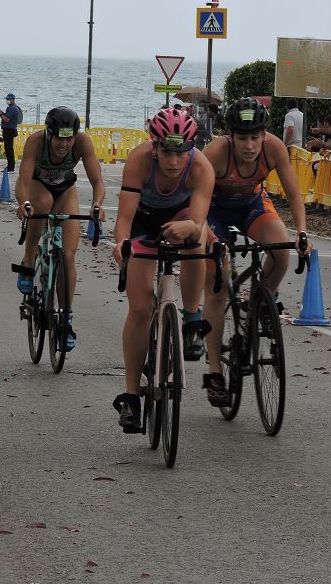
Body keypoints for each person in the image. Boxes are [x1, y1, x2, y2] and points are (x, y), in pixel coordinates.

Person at [199, 97, 312, 406]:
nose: (249, 145)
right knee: (217, 280)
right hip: (214, 211)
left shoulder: (274, 148)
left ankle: (261, 298)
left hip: (251, 205)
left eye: (254, 137)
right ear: (230, 137)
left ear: (264, 135)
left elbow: (293, 195)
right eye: (241, 138)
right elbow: (197, 203)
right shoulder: (215, 155)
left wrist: (302, 232)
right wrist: (209, 239)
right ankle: (213, 371)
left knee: (280, 248)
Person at [111, 108, 215, 433]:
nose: (173, 161)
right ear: (154, 146)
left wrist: (193, 228)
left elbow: (198, 224)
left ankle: (192, 317)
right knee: (141, 308)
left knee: (200, 242)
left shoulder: (201, 168)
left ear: (191, 149)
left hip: (183, 215)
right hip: (144, 220)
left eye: (181, 152)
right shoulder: (139, 161)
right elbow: (124, 222)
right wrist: (122, 245)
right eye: (167, 152)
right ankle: (131, 395)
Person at [15, 106, 106, 352]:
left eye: (69, 138)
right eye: (59, 138)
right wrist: (23, 204)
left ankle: (65, 319)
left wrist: (97, 205)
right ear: (50, 133)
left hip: (66, 189)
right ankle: (29, 258)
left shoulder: (82, 143)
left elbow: (97, 180)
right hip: (38, 185)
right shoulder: (36, 142)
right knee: (42, 204)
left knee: (68, 256)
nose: (64, 144)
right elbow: (22, 182)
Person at [0, 93, 23, 172]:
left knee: (9, 149)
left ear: (13, 100)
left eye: (9, 99)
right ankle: (10, 166)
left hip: (9, 130)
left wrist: (1, 114)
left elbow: (7, 120)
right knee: (8, 149)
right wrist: (2, 113)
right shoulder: (11, 108)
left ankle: (11, 167)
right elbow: (7, 117)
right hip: (9, 129)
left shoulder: (13, 108)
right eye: (7, 99)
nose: (7, 101)